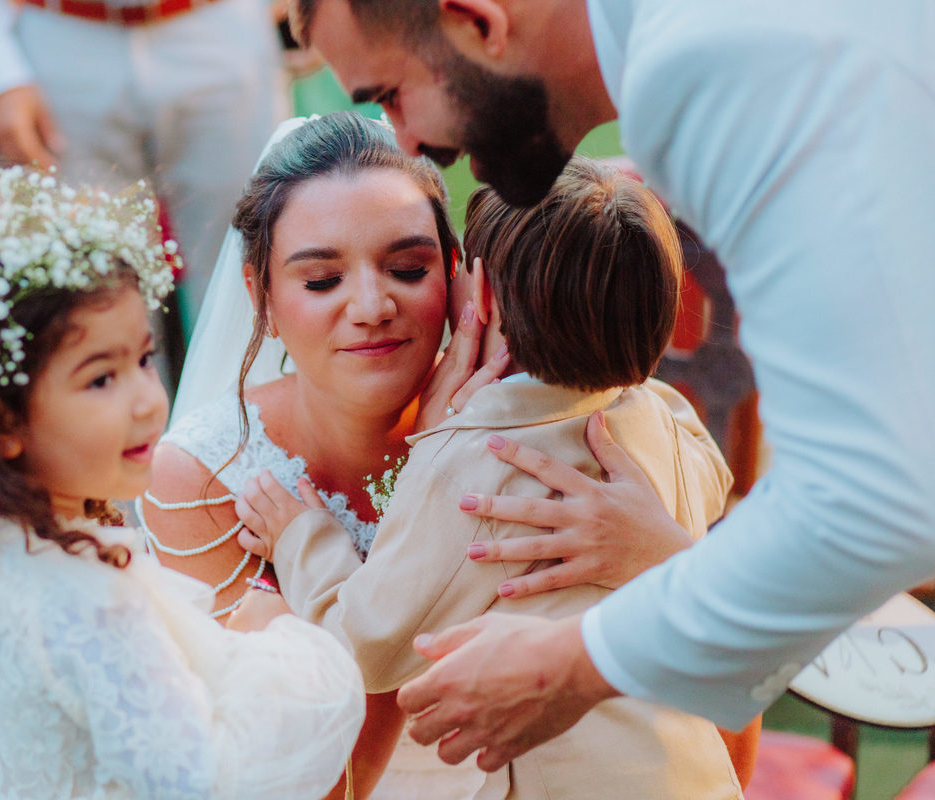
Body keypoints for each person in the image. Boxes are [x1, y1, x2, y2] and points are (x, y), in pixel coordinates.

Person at [287, 0, 935, 771]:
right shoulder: (666, 419)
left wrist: (573, 664)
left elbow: (880, 490)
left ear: (475, 21)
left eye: (390, 94)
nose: (406, 141)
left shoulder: (697, 64)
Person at [0, 164, 365, 799]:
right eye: (100, 379)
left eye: (142, 359)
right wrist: (279, 641)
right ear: (1, 421)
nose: (145, 399)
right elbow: (198, 781)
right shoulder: (89, 597)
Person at [234, 162, 745, 798]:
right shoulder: (667, 418)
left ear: (483, 297)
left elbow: (365, 644)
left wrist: (299, 536)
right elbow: (713, 478)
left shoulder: (477, 460)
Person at [141, 111, 509, 798]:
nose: (371, 306)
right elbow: (307, 783)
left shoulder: (514, 421)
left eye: (407, 268)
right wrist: (430, 471)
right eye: (320, 281)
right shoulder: (206, 476)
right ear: (262, 298)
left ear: (456, 275)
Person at [0, 0, 289, 349]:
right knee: (91, 297)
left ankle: (251, 406)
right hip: (61, 41)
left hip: (219, 28)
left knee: (250, 278)